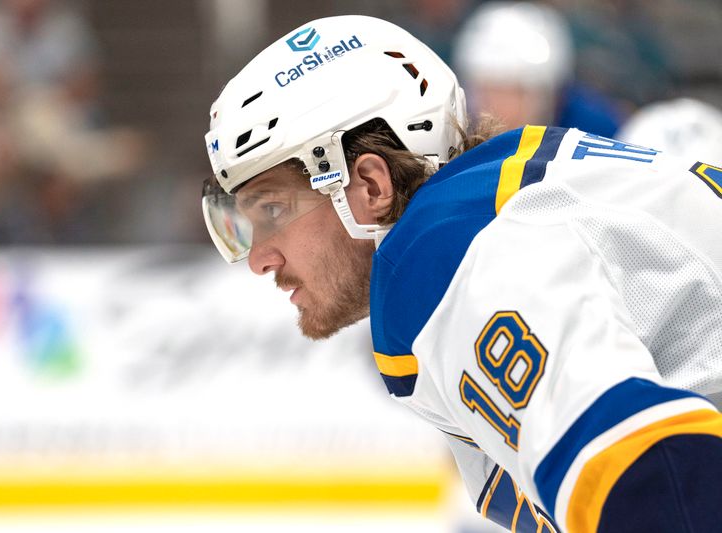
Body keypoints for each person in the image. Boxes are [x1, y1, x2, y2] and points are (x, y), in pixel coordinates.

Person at [201, 15, 722, 533]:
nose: (259, 259)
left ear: (369, 186)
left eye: (272, 211)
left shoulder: (447, 251)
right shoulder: (497, 205)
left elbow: (656, 473)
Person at [451, 2, 623, 137]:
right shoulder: (452, 133)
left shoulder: (593, 129)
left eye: (515, 93)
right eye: (490, 92)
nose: (500, 108)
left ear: (549, 97)